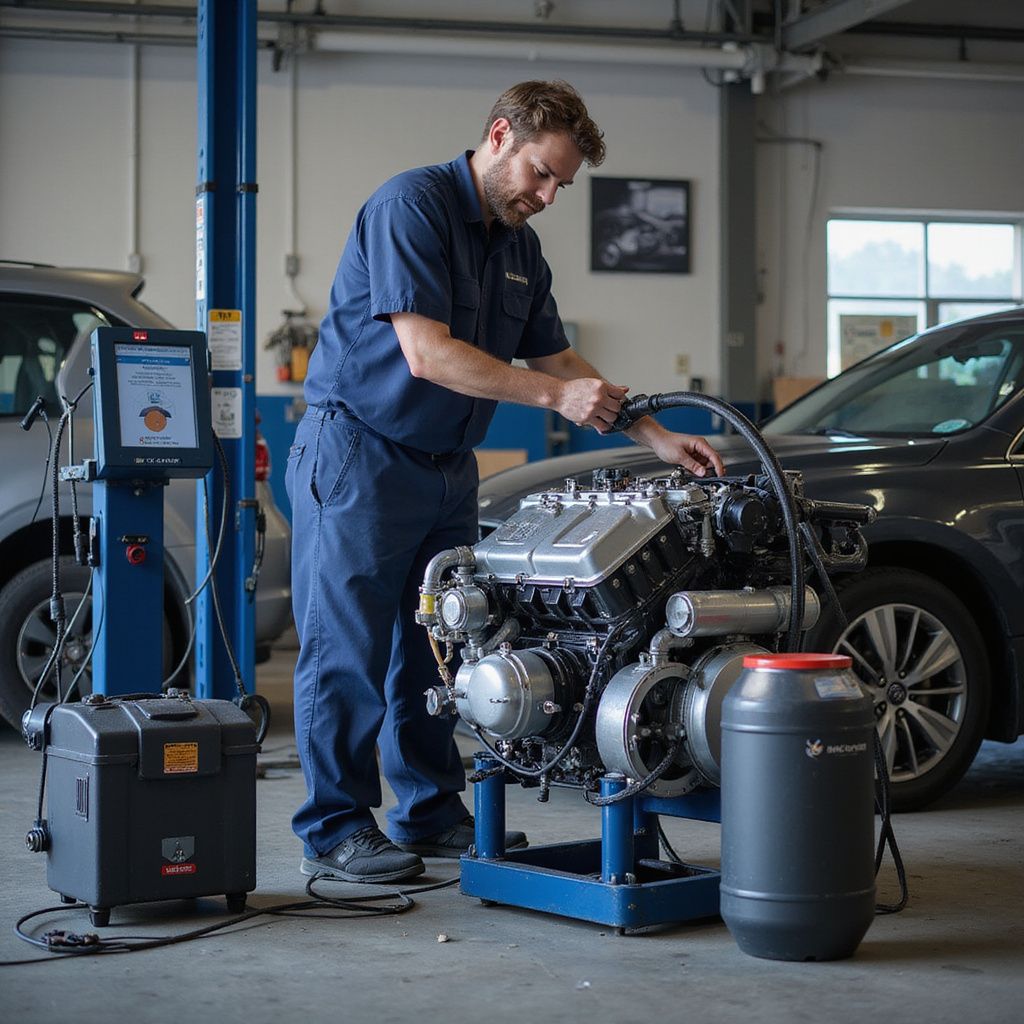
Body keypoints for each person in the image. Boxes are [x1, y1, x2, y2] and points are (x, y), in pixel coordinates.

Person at [286, 80, 725, 884]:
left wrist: (655, 436)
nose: (549, 195)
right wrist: (557, 398)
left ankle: (427, 810)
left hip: (448, 467)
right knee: (344, 648)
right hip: (360, 452)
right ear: (499, 137)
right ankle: (335, 826)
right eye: (542, 174)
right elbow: (428, 354)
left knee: (440, 646)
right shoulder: (409, 208)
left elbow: (558, 358)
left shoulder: (519, 247)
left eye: (562, 183)